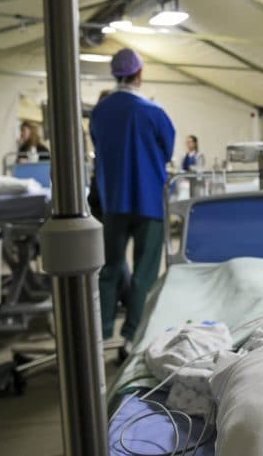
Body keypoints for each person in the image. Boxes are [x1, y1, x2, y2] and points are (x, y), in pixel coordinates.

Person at [90, 48, 175, 362]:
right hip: (148, 201)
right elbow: (167, 150)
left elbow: (99, 147)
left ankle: (99, 337)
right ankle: (132, 339)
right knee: (144, 274)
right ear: (139, 74)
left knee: (109, 269)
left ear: (115, 75)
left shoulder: (99, 112)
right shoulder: (153, 111)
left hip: (113, 201)